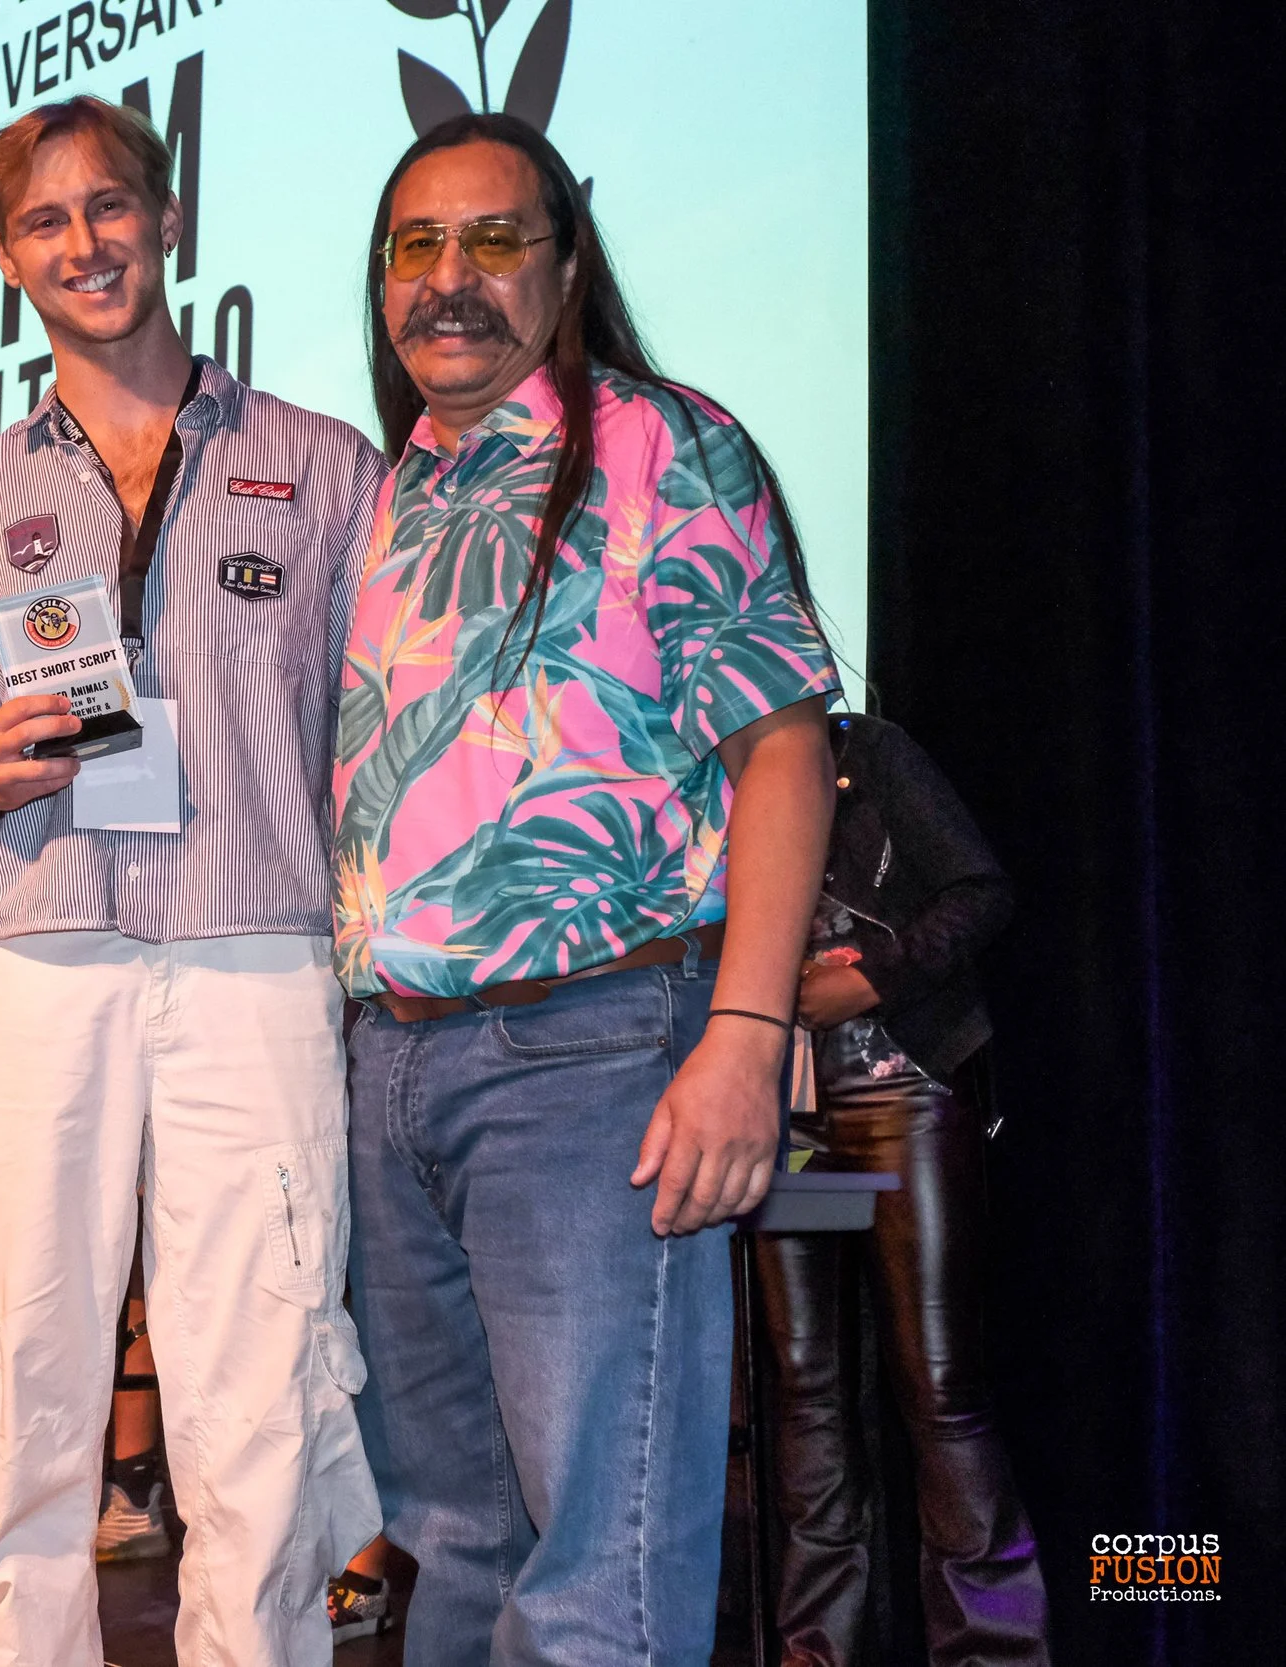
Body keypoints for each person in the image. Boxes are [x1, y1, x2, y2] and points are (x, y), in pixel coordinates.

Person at [333, 114, 839, 1666]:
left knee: (595, 1577)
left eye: (496, 239)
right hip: (386, 1070)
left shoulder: (658, 441)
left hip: (593, 1053)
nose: (451, 276)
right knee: (453, 1547)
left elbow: (784, 746)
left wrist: (745, 1032)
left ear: (565, 269)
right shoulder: (389, 494)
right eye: (417, 245)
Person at [0, 97, 384, 1666]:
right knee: (27, 1367)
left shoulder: (323, 465)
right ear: (8, 260)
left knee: (262, 1376)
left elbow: (382, 739)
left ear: (168, 220)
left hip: (259, 955)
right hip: (41, 955)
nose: (85, 242)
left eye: (109, 206)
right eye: (45, 222)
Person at [757, 711, 1049, 1664]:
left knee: (939, 1385)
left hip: (899, 1099)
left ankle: (993, 1651)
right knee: (807, 1389)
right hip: (792, 1118)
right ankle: (817, 1649)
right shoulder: (708, 784)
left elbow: (981, 889)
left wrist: (875, 977)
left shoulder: (868, 754)